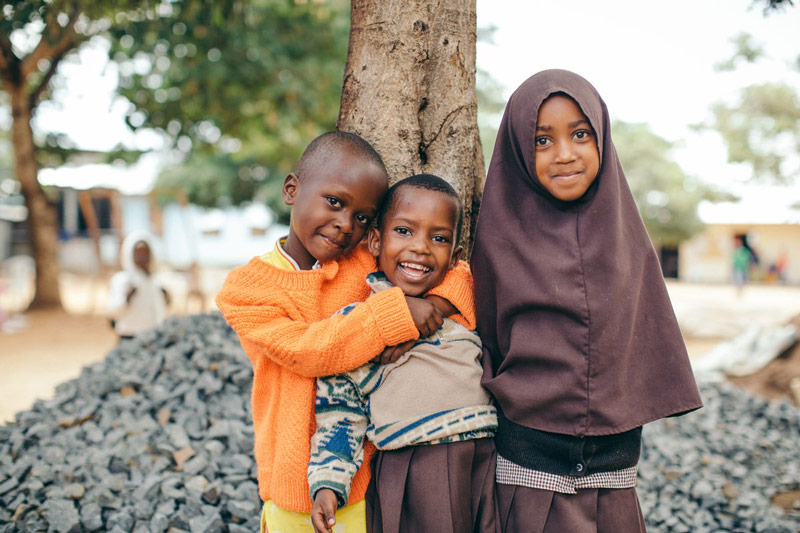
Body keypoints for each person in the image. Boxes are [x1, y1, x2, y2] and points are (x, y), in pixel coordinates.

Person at [471, 70, 703, 532]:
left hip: (613, 476)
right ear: (518, 148)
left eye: (580, 134)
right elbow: (482, 343)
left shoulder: (627, 244)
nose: (565, 154)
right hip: (525, 475)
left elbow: (642, 345)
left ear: (602, 136)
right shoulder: (495, 244)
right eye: (542, 139)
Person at [215, 132, 475, 533]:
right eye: (334, 203)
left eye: (362, 218)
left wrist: (433, 310)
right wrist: (396, 313)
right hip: (289, 488)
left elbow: (453, 272)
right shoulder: (246, 289)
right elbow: (309, 351)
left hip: (364, 479)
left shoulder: (360, 260)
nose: (344, 225)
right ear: (291, 190)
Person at [308, 175, 498, 533]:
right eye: (405, 232)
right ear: (376, 242)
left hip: (482, 463)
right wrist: (328, 484)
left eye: (439, 238)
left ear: (455, 256)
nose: (421, 248)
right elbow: (340, 415)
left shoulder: (464, 310)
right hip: (408, 470)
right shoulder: (357, 323)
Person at [107, 231, 169, 339]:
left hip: (151, 336)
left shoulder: (154, 281)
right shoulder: (122, 280)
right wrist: (128, 297)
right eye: (139, 253)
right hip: (129, 336)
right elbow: (113, 312)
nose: (143, 257)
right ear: (130, 254)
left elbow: (162, 310)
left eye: (145, 253)